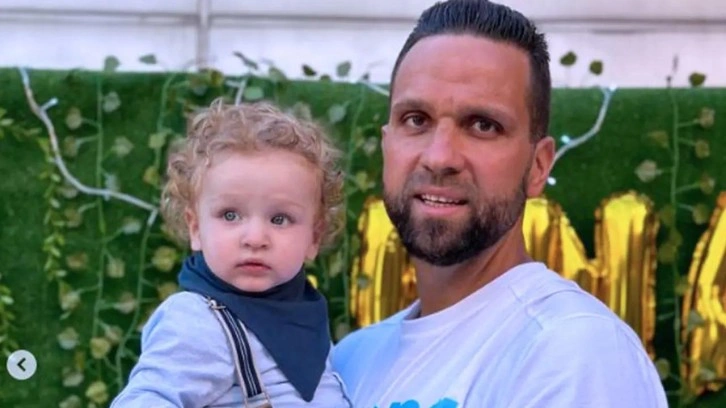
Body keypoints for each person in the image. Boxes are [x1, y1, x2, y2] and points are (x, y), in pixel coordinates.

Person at [331, 0, 669, 407]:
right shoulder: (350, 362)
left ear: (538, 166)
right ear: (387, 144)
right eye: (416, 119)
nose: (439, 157)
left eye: (483, 125)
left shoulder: (575, 352)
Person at [112, 100, 352, 407]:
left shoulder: (303, 315)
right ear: (196, 228)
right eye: (230, 215)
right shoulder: (196, 320)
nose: (255, 238)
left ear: (314, 238)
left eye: (280, 219)